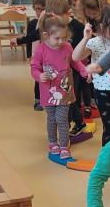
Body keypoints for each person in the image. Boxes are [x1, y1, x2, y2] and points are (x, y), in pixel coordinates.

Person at [30, 14, 89, 165]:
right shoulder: (41, 49)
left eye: (64, 37)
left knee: (62, 119)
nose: (61, 41)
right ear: (46, 35)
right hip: (48, 93)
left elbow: (75, 62)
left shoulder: (67, 47)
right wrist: (39, 76)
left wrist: (84, 71)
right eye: (57, 38)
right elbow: (34, 67)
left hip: (65, 92)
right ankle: (52, 143)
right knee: (51, 119)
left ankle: (64, 146)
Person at [73, 5, 110, 146]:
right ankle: (108, 155)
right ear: (103, 26)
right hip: (104, 92)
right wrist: (85, 38)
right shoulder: (96, 42)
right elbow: (75, 57)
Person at [45, 0, 91, 143]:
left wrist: (84, 70)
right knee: (68, 102)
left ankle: (74, 125)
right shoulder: (49, 30)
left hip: (71, 73)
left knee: (70, 100)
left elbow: (77, 56)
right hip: (55, 77)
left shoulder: (76, 27)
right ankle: (77, 123)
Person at [13, 0, 46, 110]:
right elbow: (29, 40)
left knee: (47, 78)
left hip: (47, 56)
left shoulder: (49, 22)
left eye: (42, 9)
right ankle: (38, 100)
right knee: (38, 79)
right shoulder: (32, 23)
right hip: (36, 55)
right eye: (37, 9)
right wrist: (29, 56)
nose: (39, 12)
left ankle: (48, 98)